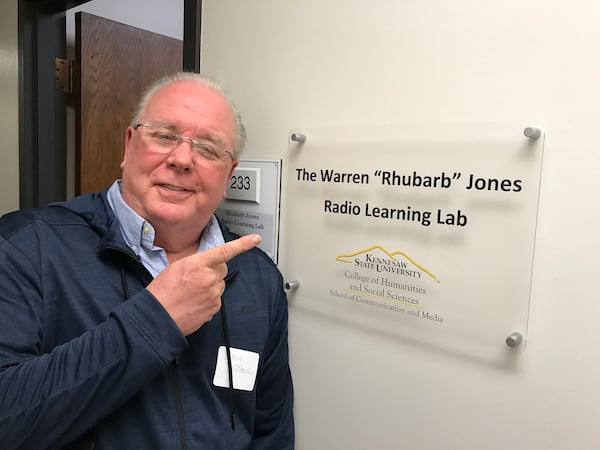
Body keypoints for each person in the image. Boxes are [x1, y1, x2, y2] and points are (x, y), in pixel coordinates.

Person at [0, 72, 294, 449]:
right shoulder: (27, 246)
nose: (182, 158)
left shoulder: (259, 278)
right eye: (165, 136)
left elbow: (272, 433)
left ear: (229, 174)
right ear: (128, 145)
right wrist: (157, 319)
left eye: (208, 148)